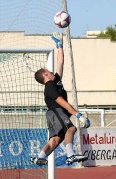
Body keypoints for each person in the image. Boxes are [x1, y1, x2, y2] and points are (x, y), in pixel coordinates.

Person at [31, 32, 90, 166]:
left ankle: (40, 157)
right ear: (45, 74)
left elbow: (60, 62)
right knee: (71, 129)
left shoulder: (55, 81)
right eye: (50, 72)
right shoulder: (50, 87)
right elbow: (63, 103)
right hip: (57, 111)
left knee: (55, 141)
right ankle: (70, 155)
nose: (53, 72)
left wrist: (59, 45)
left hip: (53, 114)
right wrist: (79, 115)